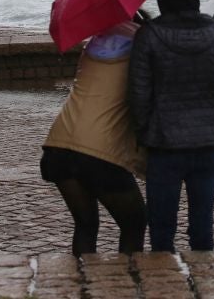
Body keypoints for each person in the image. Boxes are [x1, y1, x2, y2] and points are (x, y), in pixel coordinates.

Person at [128, 0, 214, 252]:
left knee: (161, 230)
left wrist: (143, 133)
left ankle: (165, 287)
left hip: (164, 144)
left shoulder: (149, 36)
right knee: (202, 227)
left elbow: (138, 95)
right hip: (209, 143)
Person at [41, 14, 148, 256]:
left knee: (86, 224)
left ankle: (83, 284)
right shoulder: (140, 47)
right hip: (98, 153)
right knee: (135, 223)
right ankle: (127, 282)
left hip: (59, 145)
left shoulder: (93, 45)